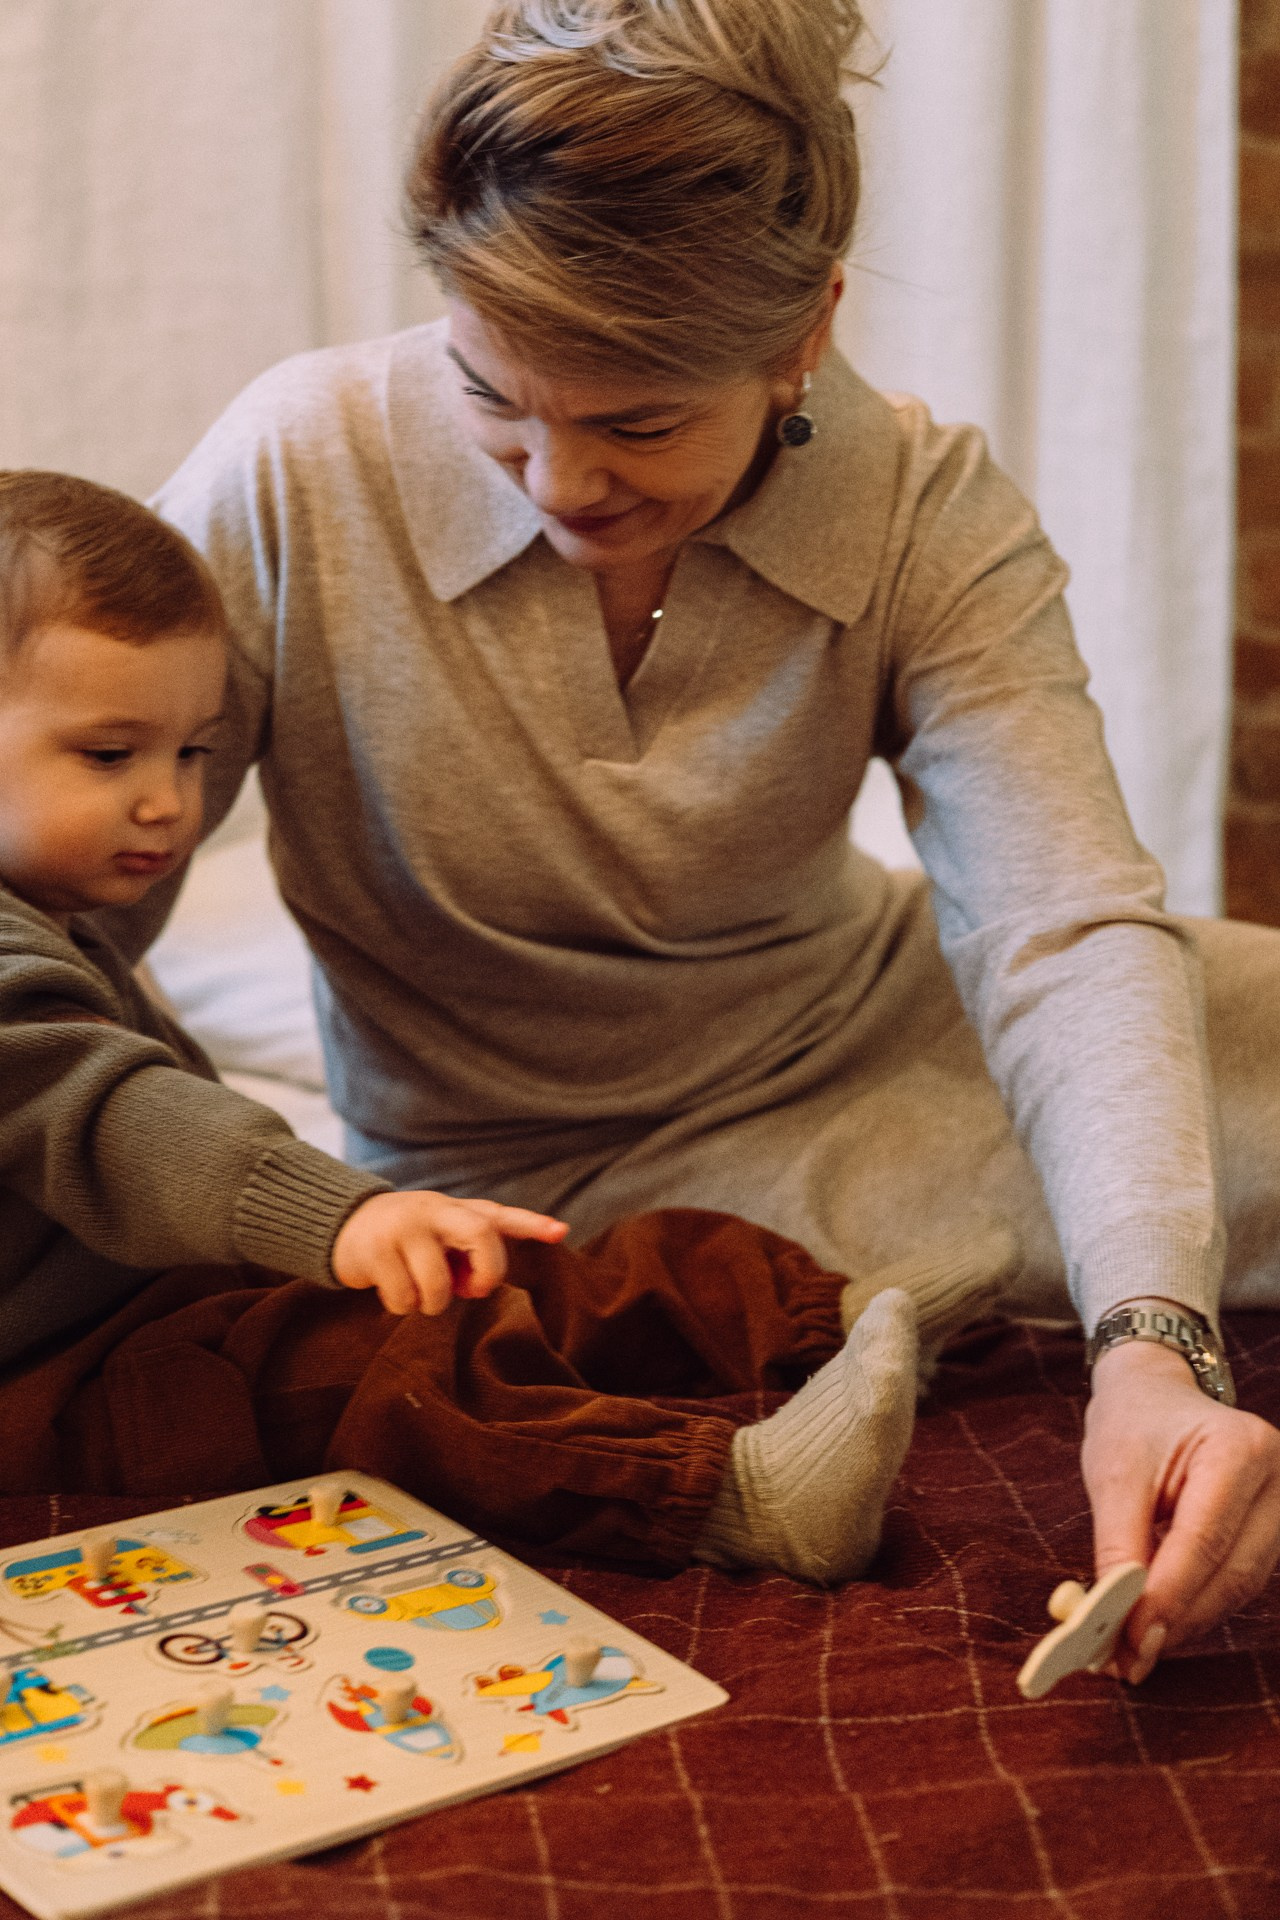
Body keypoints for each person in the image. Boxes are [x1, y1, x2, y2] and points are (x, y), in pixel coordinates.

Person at [140, 0, 1280, 1682]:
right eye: (493, 396)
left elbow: (1060, 929)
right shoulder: (296, 465)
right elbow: (69, 867)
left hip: (870, 1008)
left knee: (1173, 1083)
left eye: (642, 424)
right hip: (537, 1170)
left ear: (804, 336)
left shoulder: (922, 507)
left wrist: (1157, 1345)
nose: (557, 479)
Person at [0, 465, 959, 1584]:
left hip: (166, 1283)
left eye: (194, 751)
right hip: (50, 1377)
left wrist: (359, 1228)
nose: (169, 801)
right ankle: (726, 1499)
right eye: (110, 755)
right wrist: (337, 1213)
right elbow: (115, 1119)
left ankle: (818, 1313)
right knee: (382, 1374)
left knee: (495, 1263)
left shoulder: (56, 909)